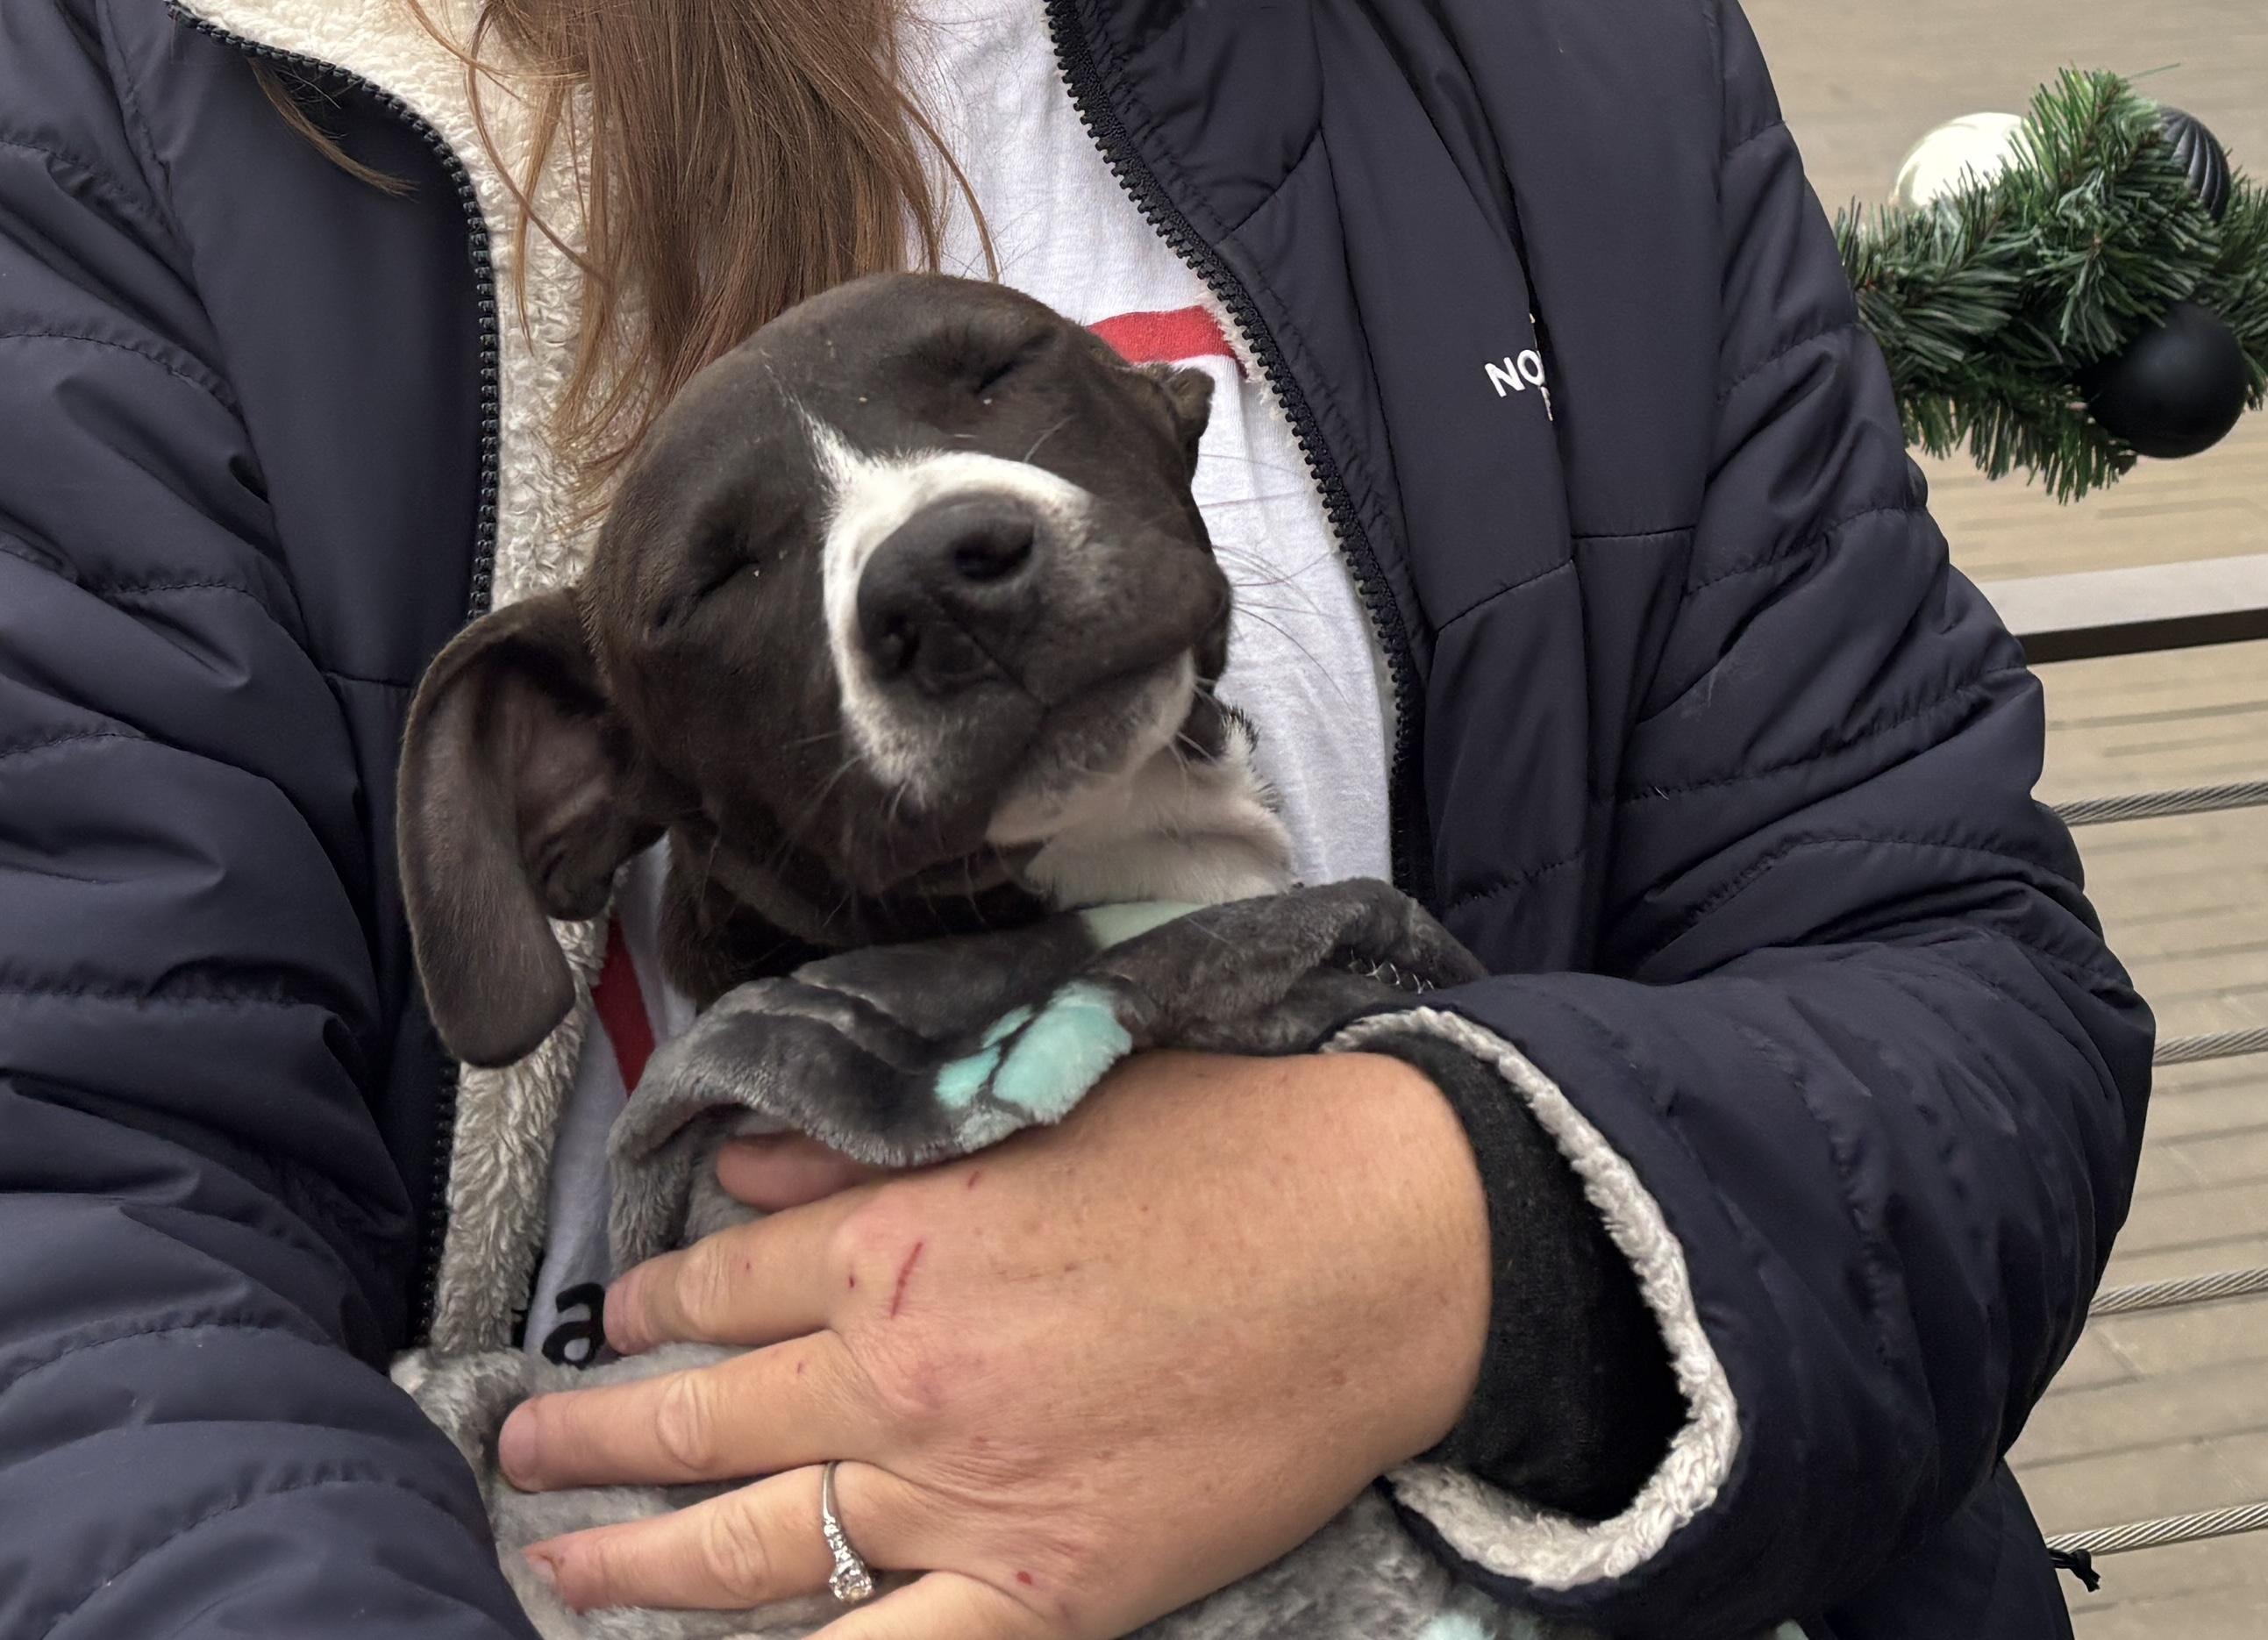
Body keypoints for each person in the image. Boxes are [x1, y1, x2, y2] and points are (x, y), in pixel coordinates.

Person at [0, 0, 2154, 1636]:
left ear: (1158, 419)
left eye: (994, 395)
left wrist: (1460, 1233)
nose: (945, 552)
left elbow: (1968, 988)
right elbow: (82, 1257)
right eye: (732, 579)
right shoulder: (130, 121)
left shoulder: (1554, 56)